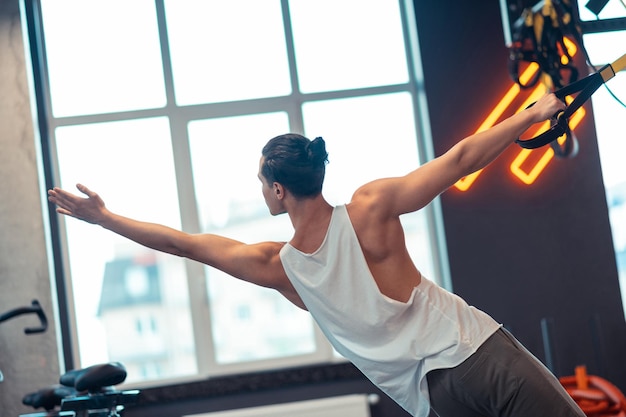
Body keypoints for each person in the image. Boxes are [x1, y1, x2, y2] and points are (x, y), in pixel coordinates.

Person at [48, 93, 584, 417]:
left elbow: (181, 244)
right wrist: (531, 113)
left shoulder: (279, 267)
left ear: (279, 190)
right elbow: (461, 159)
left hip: (436, 399)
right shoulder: (371, 208)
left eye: (261, 181)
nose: (261, 189)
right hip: (476, 355)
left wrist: (104, 218)